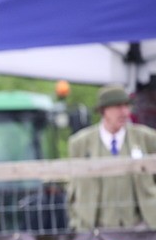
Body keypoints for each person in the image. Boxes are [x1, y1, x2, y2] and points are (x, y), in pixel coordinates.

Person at [67, 84, 156, 231]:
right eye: (117, 107)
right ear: (103, 110)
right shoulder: (80, 143)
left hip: (140, 228)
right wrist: (78, 221)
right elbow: (73, 187)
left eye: (126, 106)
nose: (124, 112)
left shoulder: (146, 138)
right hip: (97, 230)